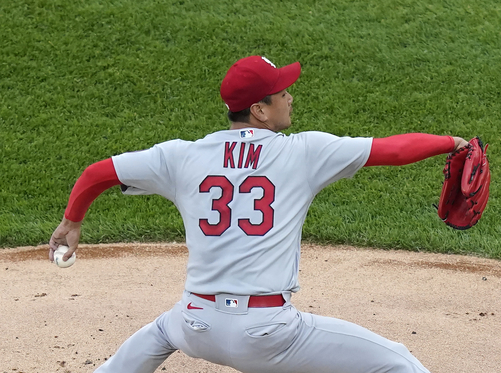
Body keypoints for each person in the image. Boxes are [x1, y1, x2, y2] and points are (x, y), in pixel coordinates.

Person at [50, 55, 468, 373]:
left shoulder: (181, 156)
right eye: (282, 92)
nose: (290, 96)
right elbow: (392, 150)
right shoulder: (303, 152)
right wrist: (452, 142)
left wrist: (72, 222)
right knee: (397, 362)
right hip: (268, 335)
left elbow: (98, 173)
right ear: (260, 110)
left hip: (196, 325)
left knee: (161, 332)